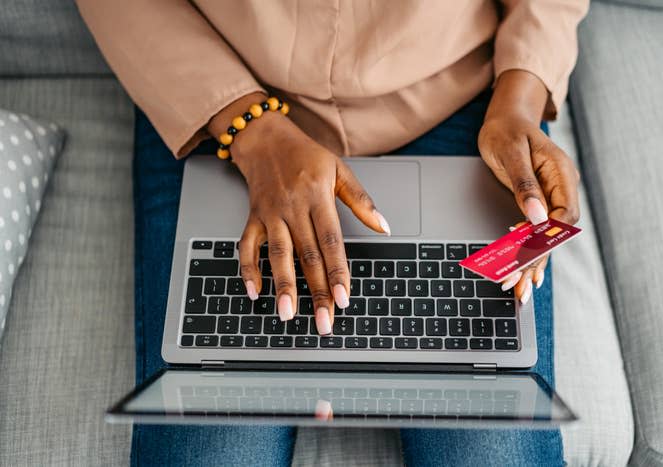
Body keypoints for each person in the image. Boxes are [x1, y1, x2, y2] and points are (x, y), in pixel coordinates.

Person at [78, 1, 588, 465]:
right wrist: (250, 127)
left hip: (457, 95)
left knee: (493, 453)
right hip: (223, 94)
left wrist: (519, 97)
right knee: (214, 453)